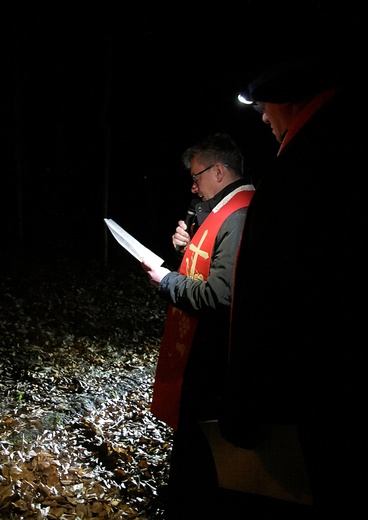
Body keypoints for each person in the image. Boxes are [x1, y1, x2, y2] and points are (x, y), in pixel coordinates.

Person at [219, 51, 368, 519]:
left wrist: (243, 407)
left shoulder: (302, 171)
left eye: (264, 105)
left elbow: (268, 300)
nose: (262, 116)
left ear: (289, 100)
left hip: (311, 400)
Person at [141, 132, 255, 520]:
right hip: (206, 349)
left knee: (202, 440)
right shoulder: (222, 208)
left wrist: (166, 280)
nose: (193, 185)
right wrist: (184, 249)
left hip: (215, 356)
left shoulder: (239, 214)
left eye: (197, 175)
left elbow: (220, 297)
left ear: (219, 171)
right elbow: (211, 266)